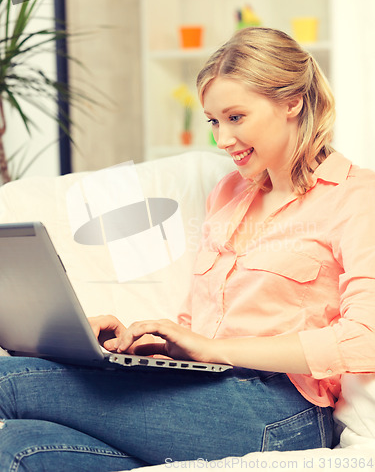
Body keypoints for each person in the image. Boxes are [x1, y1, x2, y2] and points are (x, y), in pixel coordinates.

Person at [0, 26, 374, 471]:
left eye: (236, 118)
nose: (222, 140)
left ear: (292, 102)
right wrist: (156, 345)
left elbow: (364, 339)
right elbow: (200, 321)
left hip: (282, 411)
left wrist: (213, 351)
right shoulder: (229, 193)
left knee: (9, 385)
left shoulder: (356, 196)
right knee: (20, 448)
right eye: (214, 121)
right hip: (203, 391)